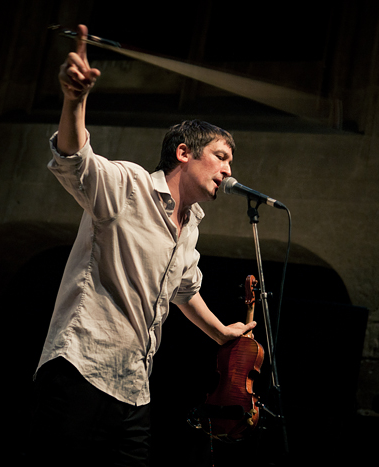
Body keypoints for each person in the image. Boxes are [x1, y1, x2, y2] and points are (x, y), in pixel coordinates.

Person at [27, 25, 256, 466]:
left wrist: (221, 332)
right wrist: (75, 99)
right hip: (80, 370)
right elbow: (76, 161)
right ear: (185, 153)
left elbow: (185, 291)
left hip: (134, 389)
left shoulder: (190, 226)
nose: (229, 171)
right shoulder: (130, 186)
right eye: (222, 157)